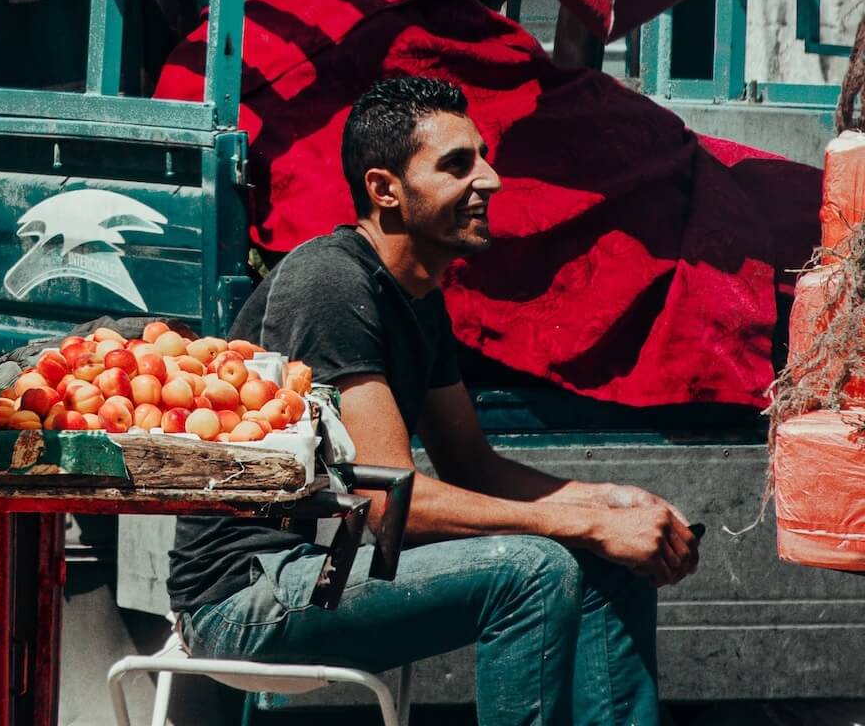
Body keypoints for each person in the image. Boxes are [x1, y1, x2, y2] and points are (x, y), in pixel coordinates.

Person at [168, 76, 700, 726]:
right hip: (254, 592)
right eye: (457, 165)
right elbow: (391, 502)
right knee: (532, 568)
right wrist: (584, 523)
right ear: (385, 189)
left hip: (333, 564)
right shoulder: (332, 284)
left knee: (611, 564)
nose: (490, 180)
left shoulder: (418, 300)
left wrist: (609, 503)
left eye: (481, 156)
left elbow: (473, 465)